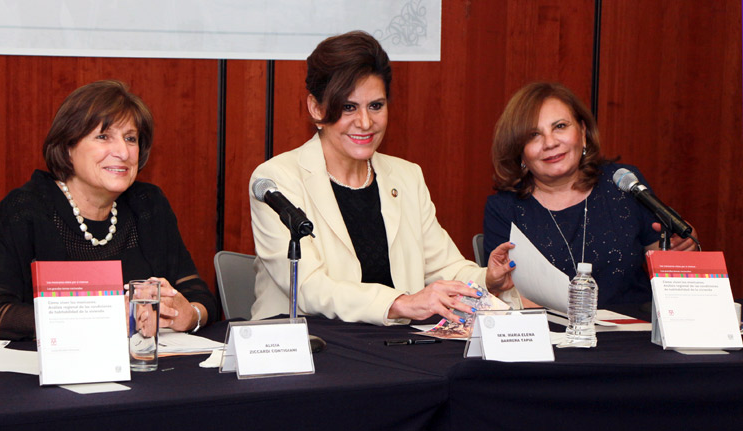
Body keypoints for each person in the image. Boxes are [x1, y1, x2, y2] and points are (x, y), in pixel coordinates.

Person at [249, 31, 519, 326]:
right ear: (316, 108)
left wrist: (487, 278)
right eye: (349, 107)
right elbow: (310, 289)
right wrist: (401, 303)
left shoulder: (406, 176)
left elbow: (445, 267)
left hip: (393, 345)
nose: (365, 122)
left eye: (376, 106)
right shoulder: (277, 180)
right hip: (311, 347)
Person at [0, 80, 218, 340]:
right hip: (48, 371)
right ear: (68, 147)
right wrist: (95, 319)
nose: (123, 152)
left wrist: (187, 314)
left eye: (130, 139)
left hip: (142, 366)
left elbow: (200, 298)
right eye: (103, 137)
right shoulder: (26, 210)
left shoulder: (149, 205)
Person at [484, 81, 697, 306]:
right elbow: (506, 293)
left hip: (634, 329)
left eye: (560, 126)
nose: (550, 142)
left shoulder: (622, 183)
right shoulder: (504, 208)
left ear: (583, 133)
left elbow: (666, 260)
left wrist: (679, 247)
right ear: (520, 152)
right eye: (533, 134)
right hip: (553, 335)